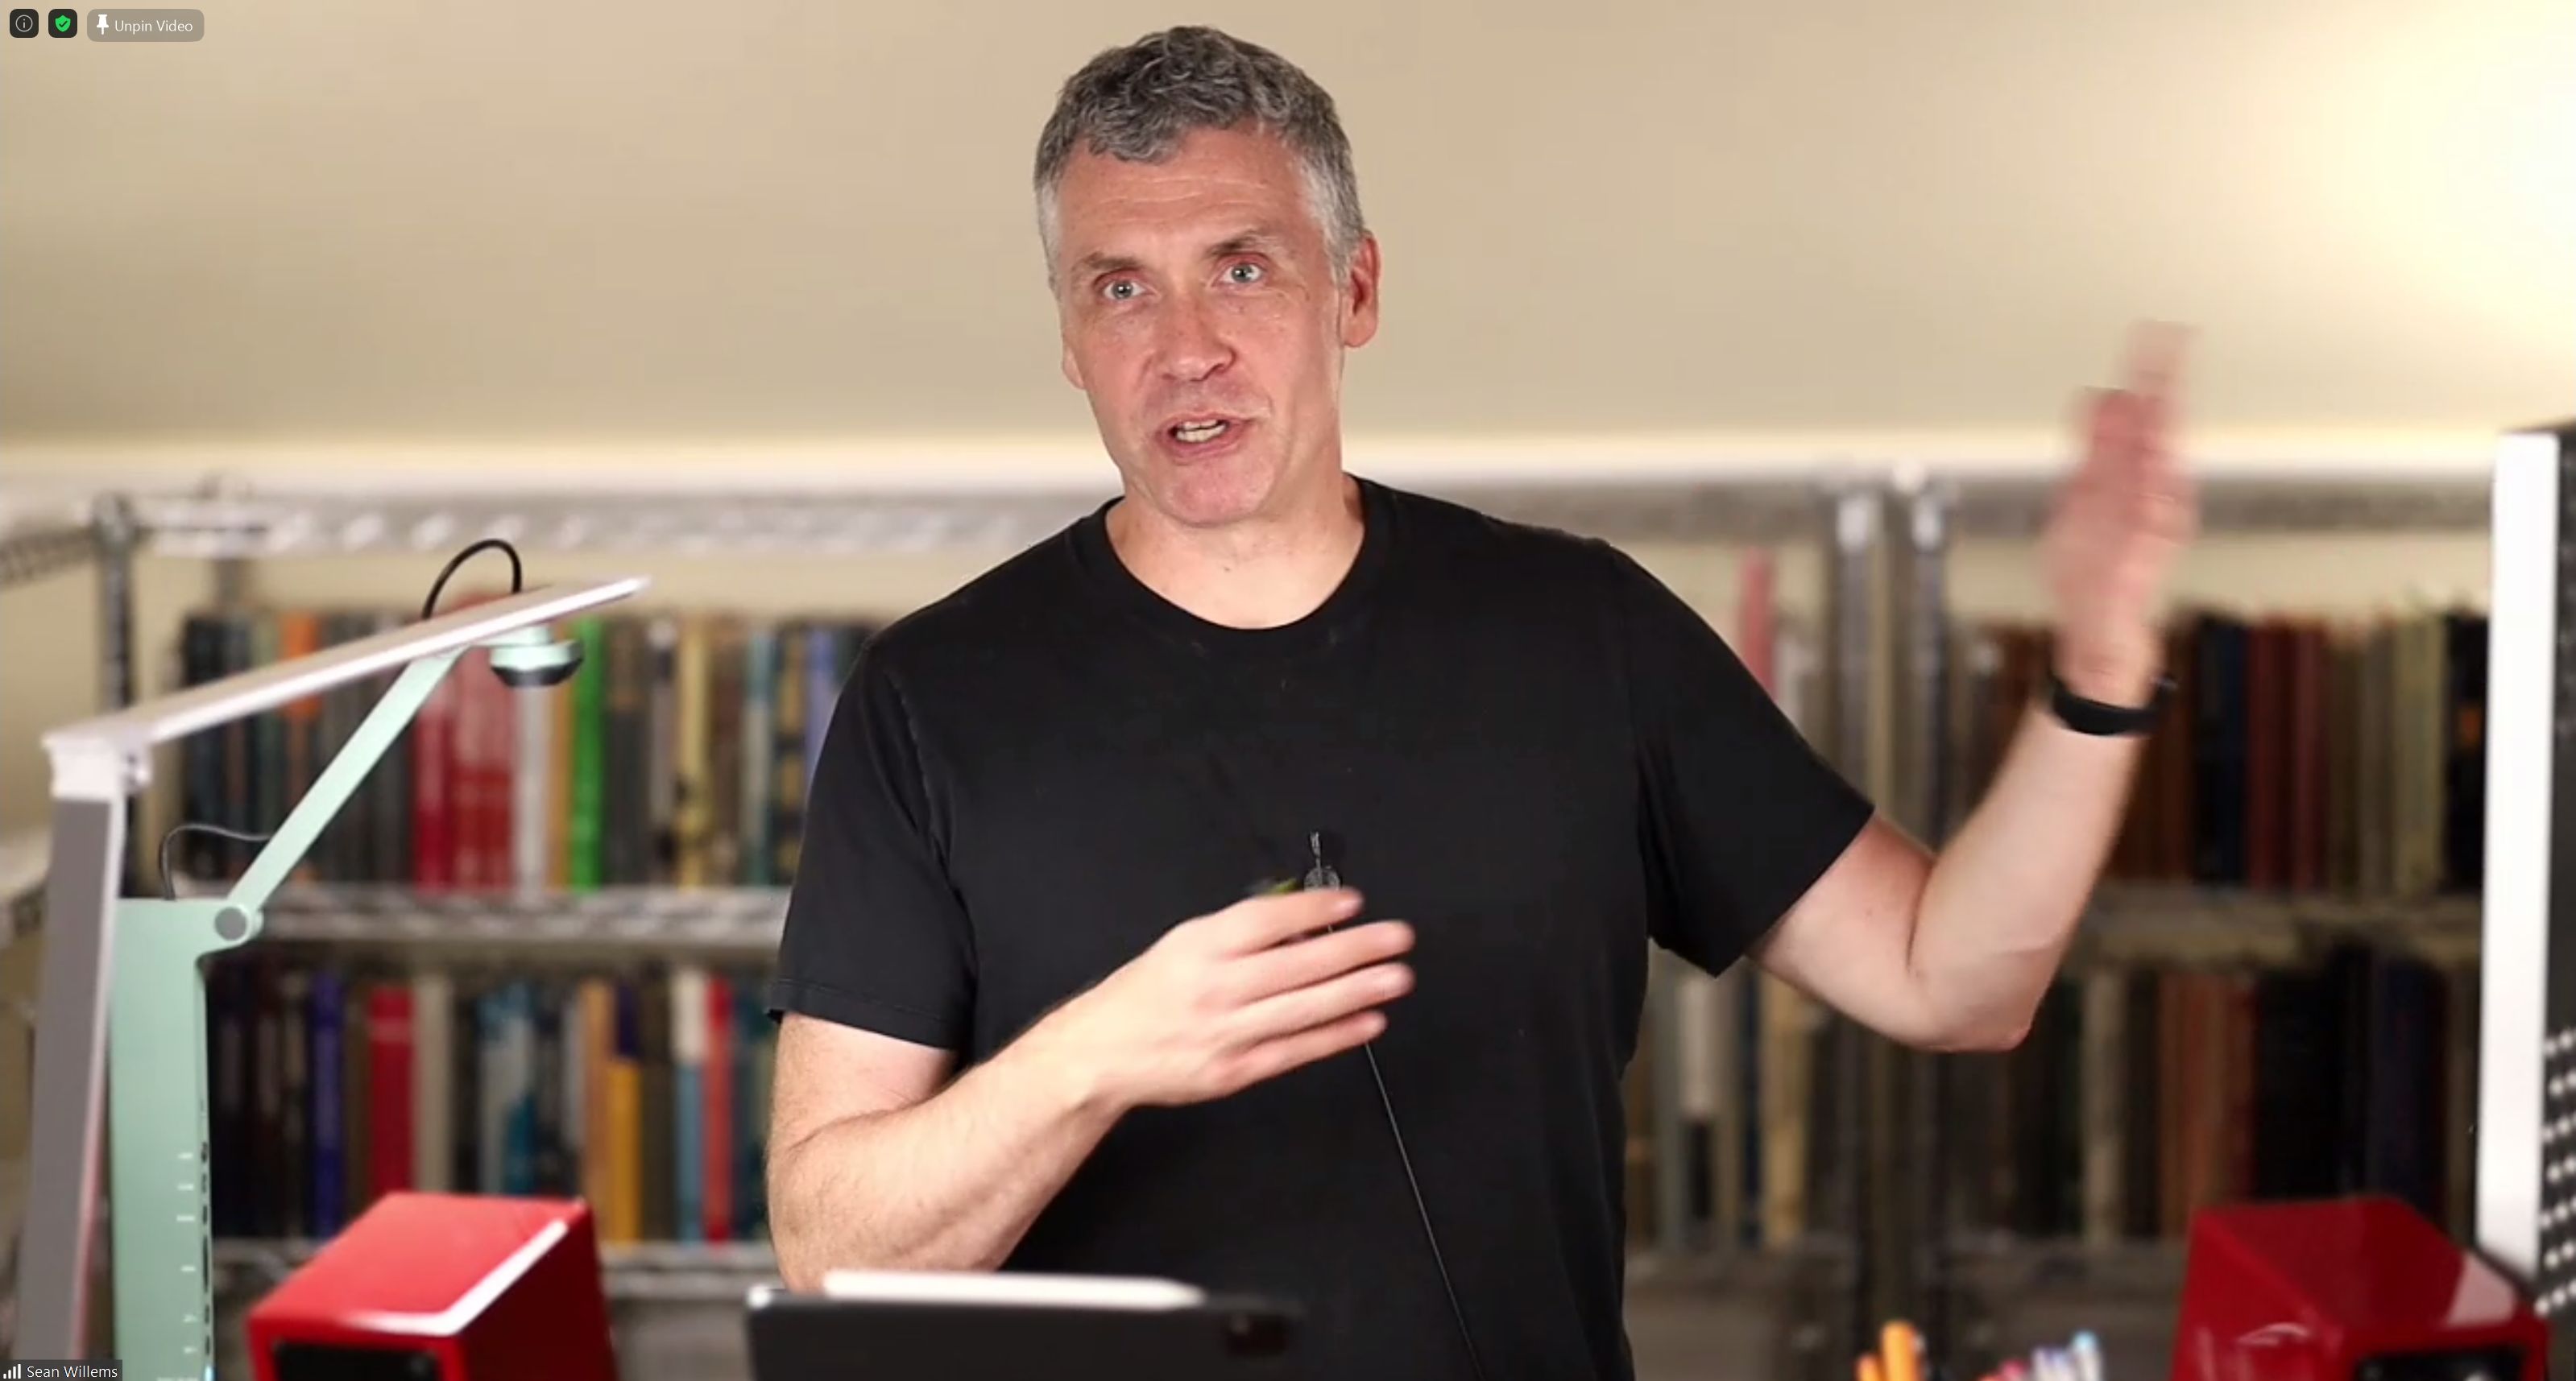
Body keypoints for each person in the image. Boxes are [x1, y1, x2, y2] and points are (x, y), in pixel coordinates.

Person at [760, 24, 2195, 1381]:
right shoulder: (930, 698)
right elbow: (831, 1253)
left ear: (1355, 292)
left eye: (1243, 269)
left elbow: (1956, 982)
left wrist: (2099, 675)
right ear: (1070, 338)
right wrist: (1094, 1057)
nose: (1184, 346)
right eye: (1119, 287)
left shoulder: (1582, 630)